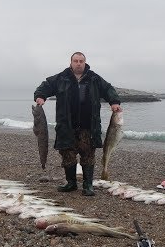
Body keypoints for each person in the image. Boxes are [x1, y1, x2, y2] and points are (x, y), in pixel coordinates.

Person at [34, 52, 122, 196]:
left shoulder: (94, 78)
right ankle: (71, 183)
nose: (79, 63)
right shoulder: (61, 78)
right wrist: (40, 97)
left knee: (88, 154)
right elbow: (45, 86)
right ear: (71, 62)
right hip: (66, 125)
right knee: (67, 154)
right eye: (76, 61)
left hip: (89, 125)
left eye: (81, 61)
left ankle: (88, 185)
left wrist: (114, 102)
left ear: (85, 62)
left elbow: (108, 89)